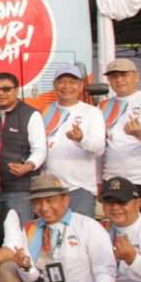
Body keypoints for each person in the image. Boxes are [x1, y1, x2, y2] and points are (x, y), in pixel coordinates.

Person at [0, 72, 47, 221]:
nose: (0, 93)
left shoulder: (30, 115)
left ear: (16, 90)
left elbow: (40, 150)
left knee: (19, 231)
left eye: (6, 89)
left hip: (19, 189)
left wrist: (27, 167)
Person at [101, 58, 141, 223]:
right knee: (119, 233)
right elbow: (100, 148)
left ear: (136, 76)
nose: (119, 80)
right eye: (114, 76)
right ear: (108, 80)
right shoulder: (103, 107)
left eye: (124, 75)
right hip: (114, 181)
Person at [43, 66, 105, 218]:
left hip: (80, 189)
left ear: (81, 86)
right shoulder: (44, 112)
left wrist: (81, 139)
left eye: (72, 82)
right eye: (62, 82)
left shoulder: (92, 112)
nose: (67, 86)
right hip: (50, 189)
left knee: (79, 237)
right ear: (55, 86)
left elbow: (99, 149)